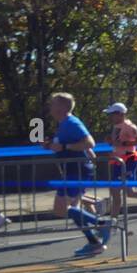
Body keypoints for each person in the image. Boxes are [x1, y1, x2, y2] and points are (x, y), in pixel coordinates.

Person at [45, 93, 108, 256]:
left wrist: (64, 147)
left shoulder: (71, 122)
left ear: (62, 107)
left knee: (60, 209)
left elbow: (89, 143)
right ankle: (95, 243)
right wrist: (51, 146)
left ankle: (101, 224)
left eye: (53, 104)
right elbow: (79, 146)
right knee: (73, 209)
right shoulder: (64, 124)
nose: (50, 107)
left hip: (76, 170)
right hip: (75, 170)